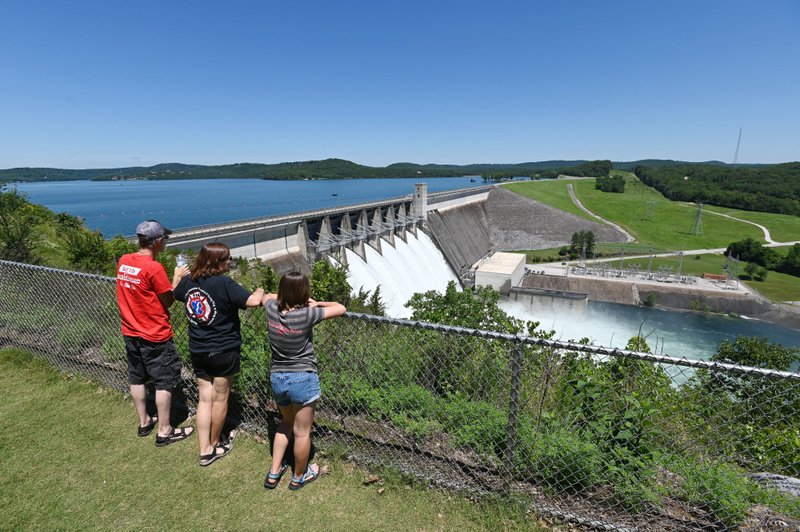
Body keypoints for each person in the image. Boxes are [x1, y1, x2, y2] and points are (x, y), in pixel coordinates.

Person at [173, 243, 264, 466]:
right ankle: (214, 445)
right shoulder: (224, 283)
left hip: (199, 350)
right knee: (220, 398)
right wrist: (260, 291)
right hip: (224, 350)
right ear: (216, 262)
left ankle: (203, 448)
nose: (230, 262)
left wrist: (176, 276)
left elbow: (174, 293)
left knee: (205, 399)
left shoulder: (189, 282)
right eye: (227, 259)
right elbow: (252, 301)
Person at [263, 271, 346, 490]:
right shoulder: (308, 314)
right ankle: (299, 476)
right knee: (302, 432)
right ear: (304, 292)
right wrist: (318, 303)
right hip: (302, 377)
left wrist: (280, 296)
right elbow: (340, 307)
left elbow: (266, 296)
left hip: (278, 377)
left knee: (285, 424)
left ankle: (273, 473)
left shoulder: (271, 309)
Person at [115, 219, 194, 446]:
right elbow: (168, 301)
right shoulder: (154, 268)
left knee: (137, 377)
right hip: (155, 334)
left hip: (130, 331)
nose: (166, 242)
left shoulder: (124, 261)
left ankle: (144, 422)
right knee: (163, 382)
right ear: (158, 242)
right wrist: (177, 278)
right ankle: (165, 430)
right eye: (165, 239)